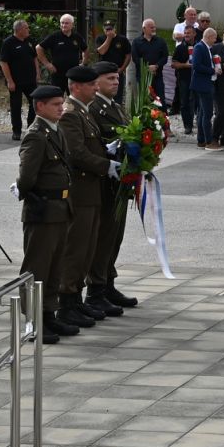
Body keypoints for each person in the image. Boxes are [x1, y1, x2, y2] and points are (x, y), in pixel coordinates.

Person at [57, 66, 120, 326]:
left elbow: (92, 145)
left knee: (88, 248)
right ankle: (66, 303)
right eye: (91, 84)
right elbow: (76, 153)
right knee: (76, 249)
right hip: (80, 192)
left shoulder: (83, 112)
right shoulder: (71, 114)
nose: (96, 88)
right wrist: (106, 165)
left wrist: (110, 151)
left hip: (92, 190)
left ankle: (77, 300)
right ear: (76, 87)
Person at [17, 85, 76, 343]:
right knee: (37, 267)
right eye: (55, 104)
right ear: (39, 106)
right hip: (42, 211)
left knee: (55, 266)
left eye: (61, 103)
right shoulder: (36, 136)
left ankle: (49, 313)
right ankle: (33, 320)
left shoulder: (56, 130)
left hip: (60, 209)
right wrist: (28, 193)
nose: (61, 108)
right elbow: (26, 178)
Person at [86, 62, 138, 312]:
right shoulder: (94, 109)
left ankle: (108, 283)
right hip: (103, 183)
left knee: (115, 237)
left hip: (119, 183)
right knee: (103, 237)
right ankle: (95, 289)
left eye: (117, 78)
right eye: (110, 78)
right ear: (96, 83)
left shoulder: (116, 107)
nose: (116, 82)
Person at [0, 20, 39, 139]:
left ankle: (31, 127)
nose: (28, 30)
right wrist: (10, 81)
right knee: (16, 106)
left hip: (30, 80)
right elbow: (3, 63)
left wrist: (37, 72)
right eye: (26, 28)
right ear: (19, 30)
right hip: (15, 81)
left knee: (35, 103)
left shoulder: (29, 41)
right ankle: (16, 131)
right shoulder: (8, 43)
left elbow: (34, 57)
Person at [190, 25, 219, 150]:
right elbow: (196, 65)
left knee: (202, 113)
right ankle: (209, 141)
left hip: (206, 83)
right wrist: (213, 70)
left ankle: (201, 140)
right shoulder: (199, 47)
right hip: (203, 85)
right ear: (209, 37)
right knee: (207, 114)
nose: (215, 40)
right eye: (214, 38)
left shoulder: (207, 48)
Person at [130, 18, 170, 109]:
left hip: (157, 76)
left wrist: (156, 66)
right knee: (145, 100)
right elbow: (135, 58)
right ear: (144, 29)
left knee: (160, 99)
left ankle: (162, 117)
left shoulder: (161, 41)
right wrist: (147, 67)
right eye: (151, 27)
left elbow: (165, 57)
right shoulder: (136, 42)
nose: (154, 29)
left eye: (154, 27)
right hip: (143, 77)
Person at [36, 14, 87, 83]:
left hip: (74, 73)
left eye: (66, 23)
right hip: (58, 73)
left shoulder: (77, 37)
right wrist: (47, 64)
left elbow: (85, 49)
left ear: (72, 25)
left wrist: (83, 63)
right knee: (57, 90)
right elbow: (38, 48)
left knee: (74, 90)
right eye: (62, 23)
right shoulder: (54, 36)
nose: (64, 25)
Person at [170, 22, 199, 134]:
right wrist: (186, 65)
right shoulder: (180, 48)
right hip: (184, 79)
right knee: (185, 102)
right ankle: (188, 125)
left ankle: (200, 122)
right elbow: (173, 64)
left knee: (197, 102)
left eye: (189, 33)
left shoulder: (199, 46)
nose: (186, 35)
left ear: (194, 34)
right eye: (185, 33)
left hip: (198, 78)